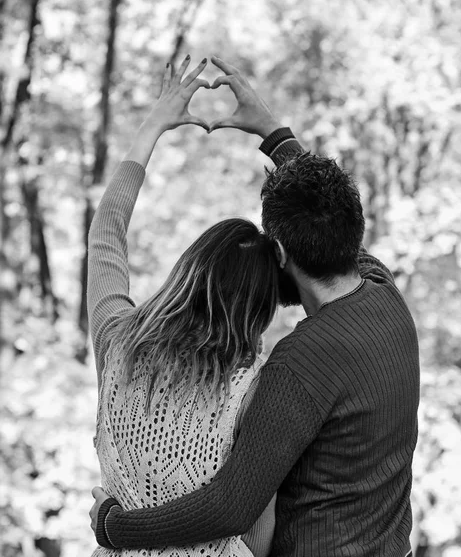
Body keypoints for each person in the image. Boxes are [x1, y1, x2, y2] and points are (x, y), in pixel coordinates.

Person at [89, 56, 420, 557]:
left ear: (282, 252)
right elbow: (323, 214)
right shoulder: (385, 294)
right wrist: (272, 131)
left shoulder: (295, 365)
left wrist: (115, 529)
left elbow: (232, 508)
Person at [87, 55, 281, 557]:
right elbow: (258, 540)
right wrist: (279, 138)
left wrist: (153, 126)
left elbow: (106, 232)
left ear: (188, 269)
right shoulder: (253, 387)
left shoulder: (117, 343)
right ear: (259, 307)